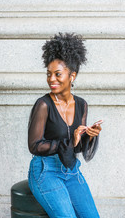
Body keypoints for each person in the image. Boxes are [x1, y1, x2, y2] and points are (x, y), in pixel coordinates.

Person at [28, 33, 102, 218]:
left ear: (72, 75)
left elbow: (77, 147)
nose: (52, 79)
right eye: (49, 74)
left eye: (58, 74)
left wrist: (89, 135)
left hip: (71, 170)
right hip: (46, 171)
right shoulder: (43, 105)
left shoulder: (82, 104)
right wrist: (70, 140)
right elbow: (34, 145)